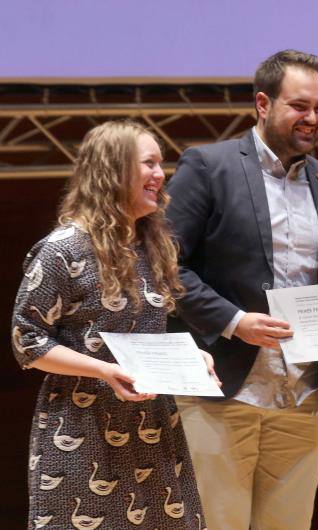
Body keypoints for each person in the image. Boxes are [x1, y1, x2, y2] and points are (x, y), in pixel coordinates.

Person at [166, 50, 318, 530]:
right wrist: (235, 321)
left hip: (303, 396)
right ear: (263, 104)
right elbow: (166, 267)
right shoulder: (209, 166)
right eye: (300, 106)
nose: (313, 119)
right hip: (224, 392)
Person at [11, 120, 214, 529]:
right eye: (149, 163)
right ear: (113, 171)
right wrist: (103, 370)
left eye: (160, 164)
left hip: (152, 427)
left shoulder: (151, 246)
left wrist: (191, 357)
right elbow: (27, 341)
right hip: (83, 429)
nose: (160, 174)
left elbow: (145, 335)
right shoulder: (63, 250)